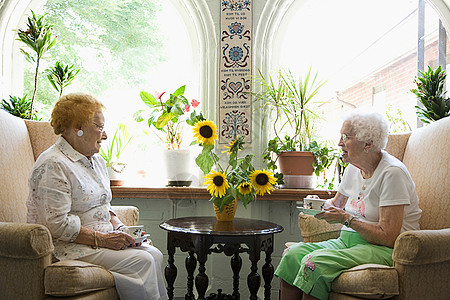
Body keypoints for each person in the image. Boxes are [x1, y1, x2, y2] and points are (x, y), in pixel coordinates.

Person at [26, 93, 168, 300]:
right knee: (142, 261)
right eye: (99, 127)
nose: (105, 135)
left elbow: (103, 203)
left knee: (154, 254)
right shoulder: (53, 164)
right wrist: (103, 240)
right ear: (77, 128)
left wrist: (120, 228)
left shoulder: (96, 160)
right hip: (69, 246)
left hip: (98, 240)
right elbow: (56, 224)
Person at [275, 111, 421, 300]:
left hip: (382, 248)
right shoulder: (353, 168)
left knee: (314, 263)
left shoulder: (392, 173)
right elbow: (336, 204)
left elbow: (389, 236)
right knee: (292, 255)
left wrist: (346, 219)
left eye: (346, 137)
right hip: (347, 241)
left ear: (368, 143)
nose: (339, 143)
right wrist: (316, 204)